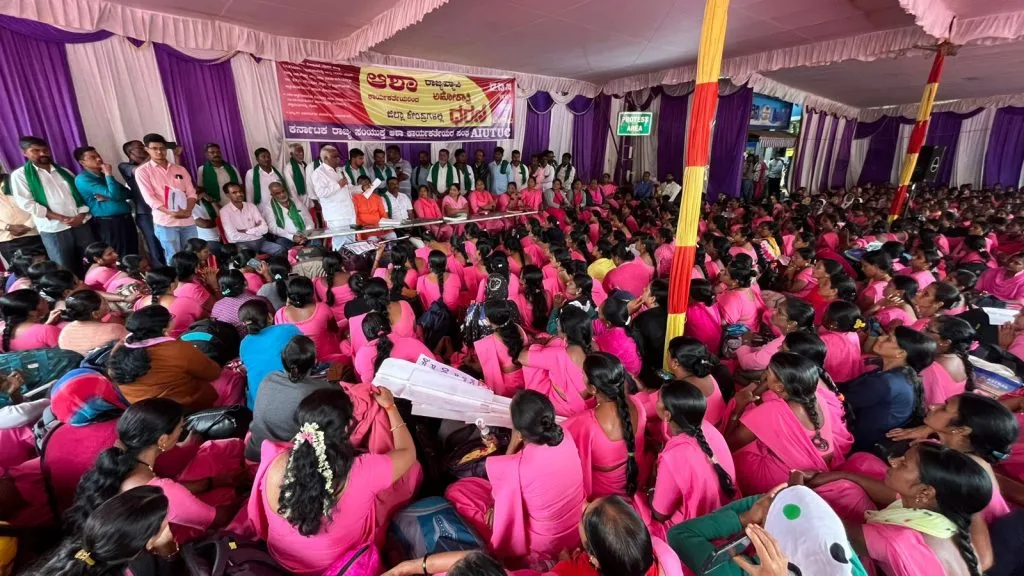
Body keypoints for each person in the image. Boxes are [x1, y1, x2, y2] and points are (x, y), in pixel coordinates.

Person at [249, 387, 417, 575]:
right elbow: (408, 453)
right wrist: (390, 407)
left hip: (279, 561)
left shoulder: (276, 460)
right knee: (408, 476)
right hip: (337, 568)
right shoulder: (363, 471)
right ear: (346, 428)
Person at [64, 398, 243, 540]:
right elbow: (219, 519)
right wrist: (252, 495)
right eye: (180, 429)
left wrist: (213, 482)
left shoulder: (119, 467)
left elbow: (175, 492)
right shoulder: (159, 491)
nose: (182, 434)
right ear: (163, 441)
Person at [446, 389, 585, 567]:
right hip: (576, 526)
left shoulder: (518, 466)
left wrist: (513, 442)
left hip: (544, 545)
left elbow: (502, 503)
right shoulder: (566, 436)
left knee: (458, 491)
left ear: (519, 432)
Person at [807, 443, 992, 576]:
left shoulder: (896, 539)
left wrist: (795, 487)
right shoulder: (939, 513)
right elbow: (887, 494)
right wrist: (842, 474)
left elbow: (824, 530)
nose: (893, 461)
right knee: (849, 488)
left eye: (903, 463)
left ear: (925, 491)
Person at [725, 352, 840, 496]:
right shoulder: (816, 398)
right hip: (814, 473)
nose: (765, 374)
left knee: (739, 458)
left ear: (779, 388)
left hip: (786, 481)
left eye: (768, 371)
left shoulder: (772, 411)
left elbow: (728, 445)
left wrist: (738, 407)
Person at [640, 380, 737, 539]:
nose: (655, 401)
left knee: (637, 504)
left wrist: (650, 491)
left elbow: (660, 514)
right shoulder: (709, 429)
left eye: (658, 399)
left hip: (695, 528)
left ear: (667, 415)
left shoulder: (674, 457)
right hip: (726, 512)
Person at [29, 486, 177, 576]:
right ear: (149, 542)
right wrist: (168, 551)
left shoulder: (73, 553)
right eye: (167, 524)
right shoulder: (140, 568)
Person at [565, 353, 648, 499]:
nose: (581, 377)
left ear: (592, 388)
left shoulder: (584, 423)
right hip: (636, 482)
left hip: (603, 498)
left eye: (582, 374)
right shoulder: (638, 406)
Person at [108, 305, 221, 412]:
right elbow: (214, 373)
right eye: (171, 317)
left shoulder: (118, 349)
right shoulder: (177, 350)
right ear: (163, 329)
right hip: (185, 408)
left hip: (148, 414)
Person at [839, 326, 933, 454]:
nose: (880, 337)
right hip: (872, 435)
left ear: (900, 353)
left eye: (888, 339)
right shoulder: (903, 374)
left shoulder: (886, 382)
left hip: (863, 443)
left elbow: (841, 401)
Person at [10, 136, 94, 274]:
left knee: (91, 262)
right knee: (64, 269)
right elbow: (27, 203)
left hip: (80, 224)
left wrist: (80, 215)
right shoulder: (20, 176)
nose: (42, 154)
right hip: (54, 229)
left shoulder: (64, 172)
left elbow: (79, 196)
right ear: (24, 153)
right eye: (35, 150)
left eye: (45, 150)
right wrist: (61, 218)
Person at [245, 334, 335, 461]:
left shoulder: (268, 378)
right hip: (279, 463)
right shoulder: (320, 390)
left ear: (284, 360)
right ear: (314, 362)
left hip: (253, 453)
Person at [134, 133, 198, 264]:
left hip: (187, 220)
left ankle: (194, 283)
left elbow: (191, 193)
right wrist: (171, 212)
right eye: (154, 148)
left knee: (192, 256)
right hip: (166, 222)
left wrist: (188, 210)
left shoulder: (180, 169)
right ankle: (178, 284)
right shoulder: (143, 171)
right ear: (147, 149)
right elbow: (149, 198)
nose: (159, 152)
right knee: (173, 257)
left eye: (162, 148)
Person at [73, 146, 138, 257]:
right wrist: (109, 174)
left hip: (126, 219)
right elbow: (114, 194)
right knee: (118, 255)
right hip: (109, 223)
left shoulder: (103, 177)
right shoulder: (83, 178)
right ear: (82, 162)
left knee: (133, 253)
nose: (98, 159)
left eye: (98, 156)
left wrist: (111, 196)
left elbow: (128, 193)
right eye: (93, 157)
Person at [237, 299, 301, 409]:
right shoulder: (288, 330)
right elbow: (306, 350)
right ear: (269, 317)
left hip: (257, 406)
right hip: (291, 400)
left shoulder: (244, 343)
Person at [354, 310, 435, 385]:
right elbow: (434, 367)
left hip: (380, 399)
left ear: (366, 337)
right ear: (390, 326)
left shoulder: (360, 356)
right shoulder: (410, 343)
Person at [274, 275, 342, 362]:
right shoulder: (323, 308)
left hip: (300, 361)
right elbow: (335, 330)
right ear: (311, 294)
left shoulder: (280, 314)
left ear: (290, 295)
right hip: (328, 356)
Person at [119, 139, 164, 266]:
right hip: (145, 212)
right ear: (130, 152)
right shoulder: (125, 166)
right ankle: (161, 273)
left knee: (168, 241)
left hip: (162, 209)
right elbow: (139, 170)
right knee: (154, 245)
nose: (144, 148)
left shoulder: (154, 165)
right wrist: (152, 154)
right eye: (141, 147)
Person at [667, 336, 727, 427]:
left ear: (675, 363)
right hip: (718, 428)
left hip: (702, 435)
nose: (666, 357)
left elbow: (648, 411)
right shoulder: (708, 376)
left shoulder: (681, 389)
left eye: (668, 354)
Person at [309, 145, 357, 246]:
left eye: (338, 156)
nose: (338, 159)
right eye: (334, 157)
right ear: (325, 158)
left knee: (351, 242)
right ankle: (339, 261)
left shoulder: (340, 170)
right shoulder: (319, 173)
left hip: (349, 212)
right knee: (340, 243)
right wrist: (338, 185)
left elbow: (349, 188)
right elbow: (321, 193)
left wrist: (362, 188)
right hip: (336, 215)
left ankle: (351, 262)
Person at [219, 182, 283, 255]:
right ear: (228, 195)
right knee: (250, 260)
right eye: (234, 193)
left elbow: (264, 228)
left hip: (259, 241)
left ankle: (272, 266)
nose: (239, 194)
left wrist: (247, 231)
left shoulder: (251, 206)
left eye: (240, 191)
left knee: (280, 249)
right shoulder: (224, 211)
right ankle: (261, 265)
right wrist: (255, 231)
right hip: (241, 244)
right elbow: (233, 236)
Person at [57, 289, 128, 355]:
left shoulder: (64, 332)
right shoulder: (114, 329)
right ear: (95, 314)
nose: (107, 302)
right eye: (104, 301)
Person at [261, 181, 313, 250]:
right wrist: (292, 237)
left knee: (316, 243)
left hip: (304, 235)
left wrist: (306, 233)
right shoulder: (268, 207)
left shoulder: (295, 201)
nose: (282, 195)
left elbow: (308, 218)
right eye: (277, 193)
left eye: (283, 191)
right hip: (286, 238)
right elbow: (272, 228)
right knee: (282, 245)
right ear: (272, 195)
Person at [196, 142, 241, 207]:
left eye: (218, 152)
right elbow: (200, 188)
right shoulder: (202, 169)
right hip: (216, 206)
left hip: (234, 203)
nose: (216, 154)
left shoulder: (231, 167)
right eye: (212, 152)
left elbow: (240, 185)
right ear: (207, 155)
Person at [284, 143, 310, 207]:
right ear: (291, 154)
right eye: (298, 152)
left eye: (302, 151)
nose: (301, 153)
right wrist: (298, 205)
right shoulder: (288, 168)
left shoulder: (305, 165)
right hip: (299, 202)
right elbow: (291, 189)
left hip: (309, 201)